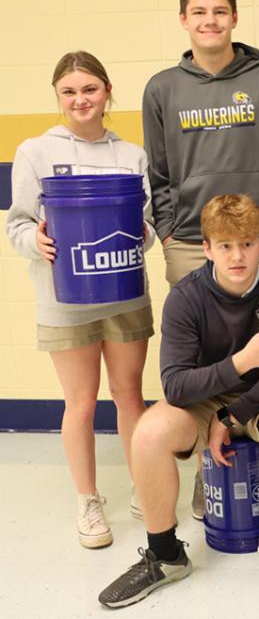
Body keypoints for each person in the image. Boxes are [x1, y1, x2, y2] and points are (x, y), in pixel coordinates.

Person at [98, 195, 259, 608]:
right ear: (207, 248)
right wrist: (241, 362)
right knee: (148, 433)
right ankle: (165, 555)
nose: (237, 256)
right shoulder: (187, 296)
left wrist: (233, 414)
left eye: (246, 244)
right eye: (225, 245)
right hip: (204, 397)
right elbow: (176, 386)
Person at [6, 51, 156, 549]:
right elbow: (18, 223)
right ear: (58, 96)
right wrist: (35, 241)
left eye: (89, 89)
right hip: (64, 299)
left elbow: (148, 223)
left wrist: (144, 234)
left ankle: (144, 484)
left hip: (123, 294)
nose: (80, 99)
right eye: (69, 91)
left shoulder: (131, 155)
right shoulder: (35, 151)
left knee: (129, 394)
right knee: (81, 403)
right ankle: (88, 499)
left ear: (107, 91)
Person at [143, 0, 259, 286]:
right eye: (199, 12)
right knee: (192, 320)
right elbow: (157, 171)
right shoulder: (161, 89)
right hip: (189, 242)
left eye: (220, 12)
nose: (210, 21)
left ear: (234, 18)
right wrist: (168, 233)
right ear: (184, 19)